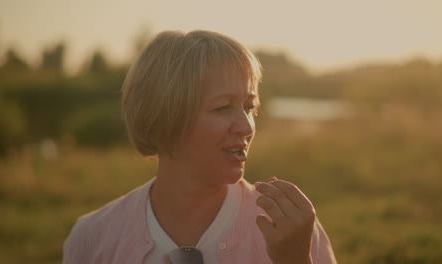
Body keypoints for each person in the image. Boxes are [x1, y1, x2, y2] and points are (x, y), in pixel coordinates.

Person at [63, 30, 337, 264]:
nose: (246, 127)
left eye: (248, 106)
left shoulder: (290, 232)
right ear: (164, 117)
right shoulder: (93, 238)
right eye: (222, 107)